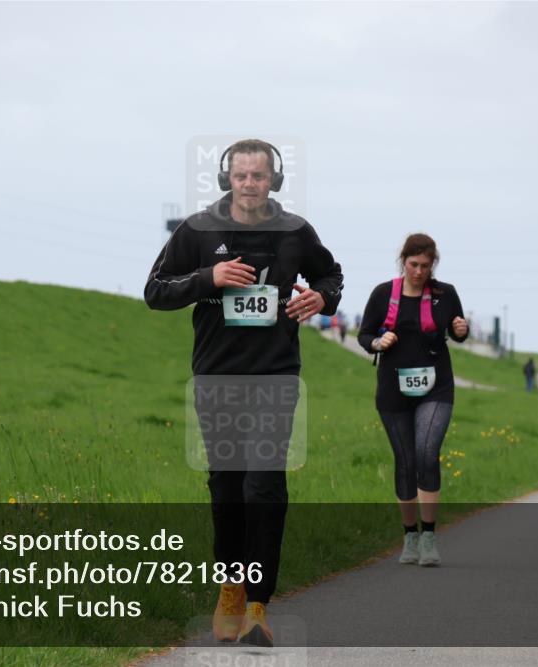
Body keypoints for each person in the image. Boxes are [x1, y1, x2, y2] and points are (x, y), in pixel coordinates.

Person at [144, 139, 343, 647]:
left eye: (259, 176)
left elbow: (329, 272)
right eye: (241, 176)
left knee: (264, 486)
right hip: (217, 376)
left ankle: (258, 605)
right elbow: (155, 291)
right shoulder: (196, 231)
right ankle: (230, 586)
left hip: (276, 375)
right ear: (225, 179)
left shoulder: (296, 232)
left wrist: (323, 297)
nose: (250, 184)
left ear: (273, 181)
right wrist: (209, 276)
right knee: (227, 485)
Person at [358, 233, 468, 568]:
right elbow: (364, 334)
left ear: (433, 264)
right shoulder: (382, 294)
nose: (419, 271)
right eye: (413, 264)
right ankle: (410, 536)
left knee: (426, 453)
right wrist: (378, 342)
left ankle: (430, 536)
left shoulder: (445, 294)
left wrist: (462, 329)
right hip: (393, 387)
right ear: (402, 261)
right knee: (405, 461)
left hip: (436, 386)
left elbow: (458, 330)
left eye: (425, 265)